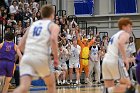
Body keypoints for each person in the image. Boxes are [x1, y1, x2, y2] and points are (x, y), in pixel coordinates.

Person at [13, 5, 60, 93]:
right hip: (41, 57)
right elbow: (53, 39)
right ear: (52, 15)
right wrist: (56, 58)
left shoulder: (33, 25)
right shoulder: (53, 26)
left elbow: (20, 46)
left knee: (23, 87)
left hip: (27, 57)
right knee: (51, 85)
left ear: (41, 14)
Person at [102, 18, 135, 93]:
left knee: (109, 87)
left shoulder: (115, 35)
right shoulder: (125, 34)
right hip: (114, 61)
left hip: (106, 61)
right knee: (129, 86)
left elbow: (116, 51)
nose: (131, 29)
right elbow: (120, 43)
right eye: (130, 26)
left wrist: (131, 59)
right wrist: (125, 59)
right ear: (124, 26)